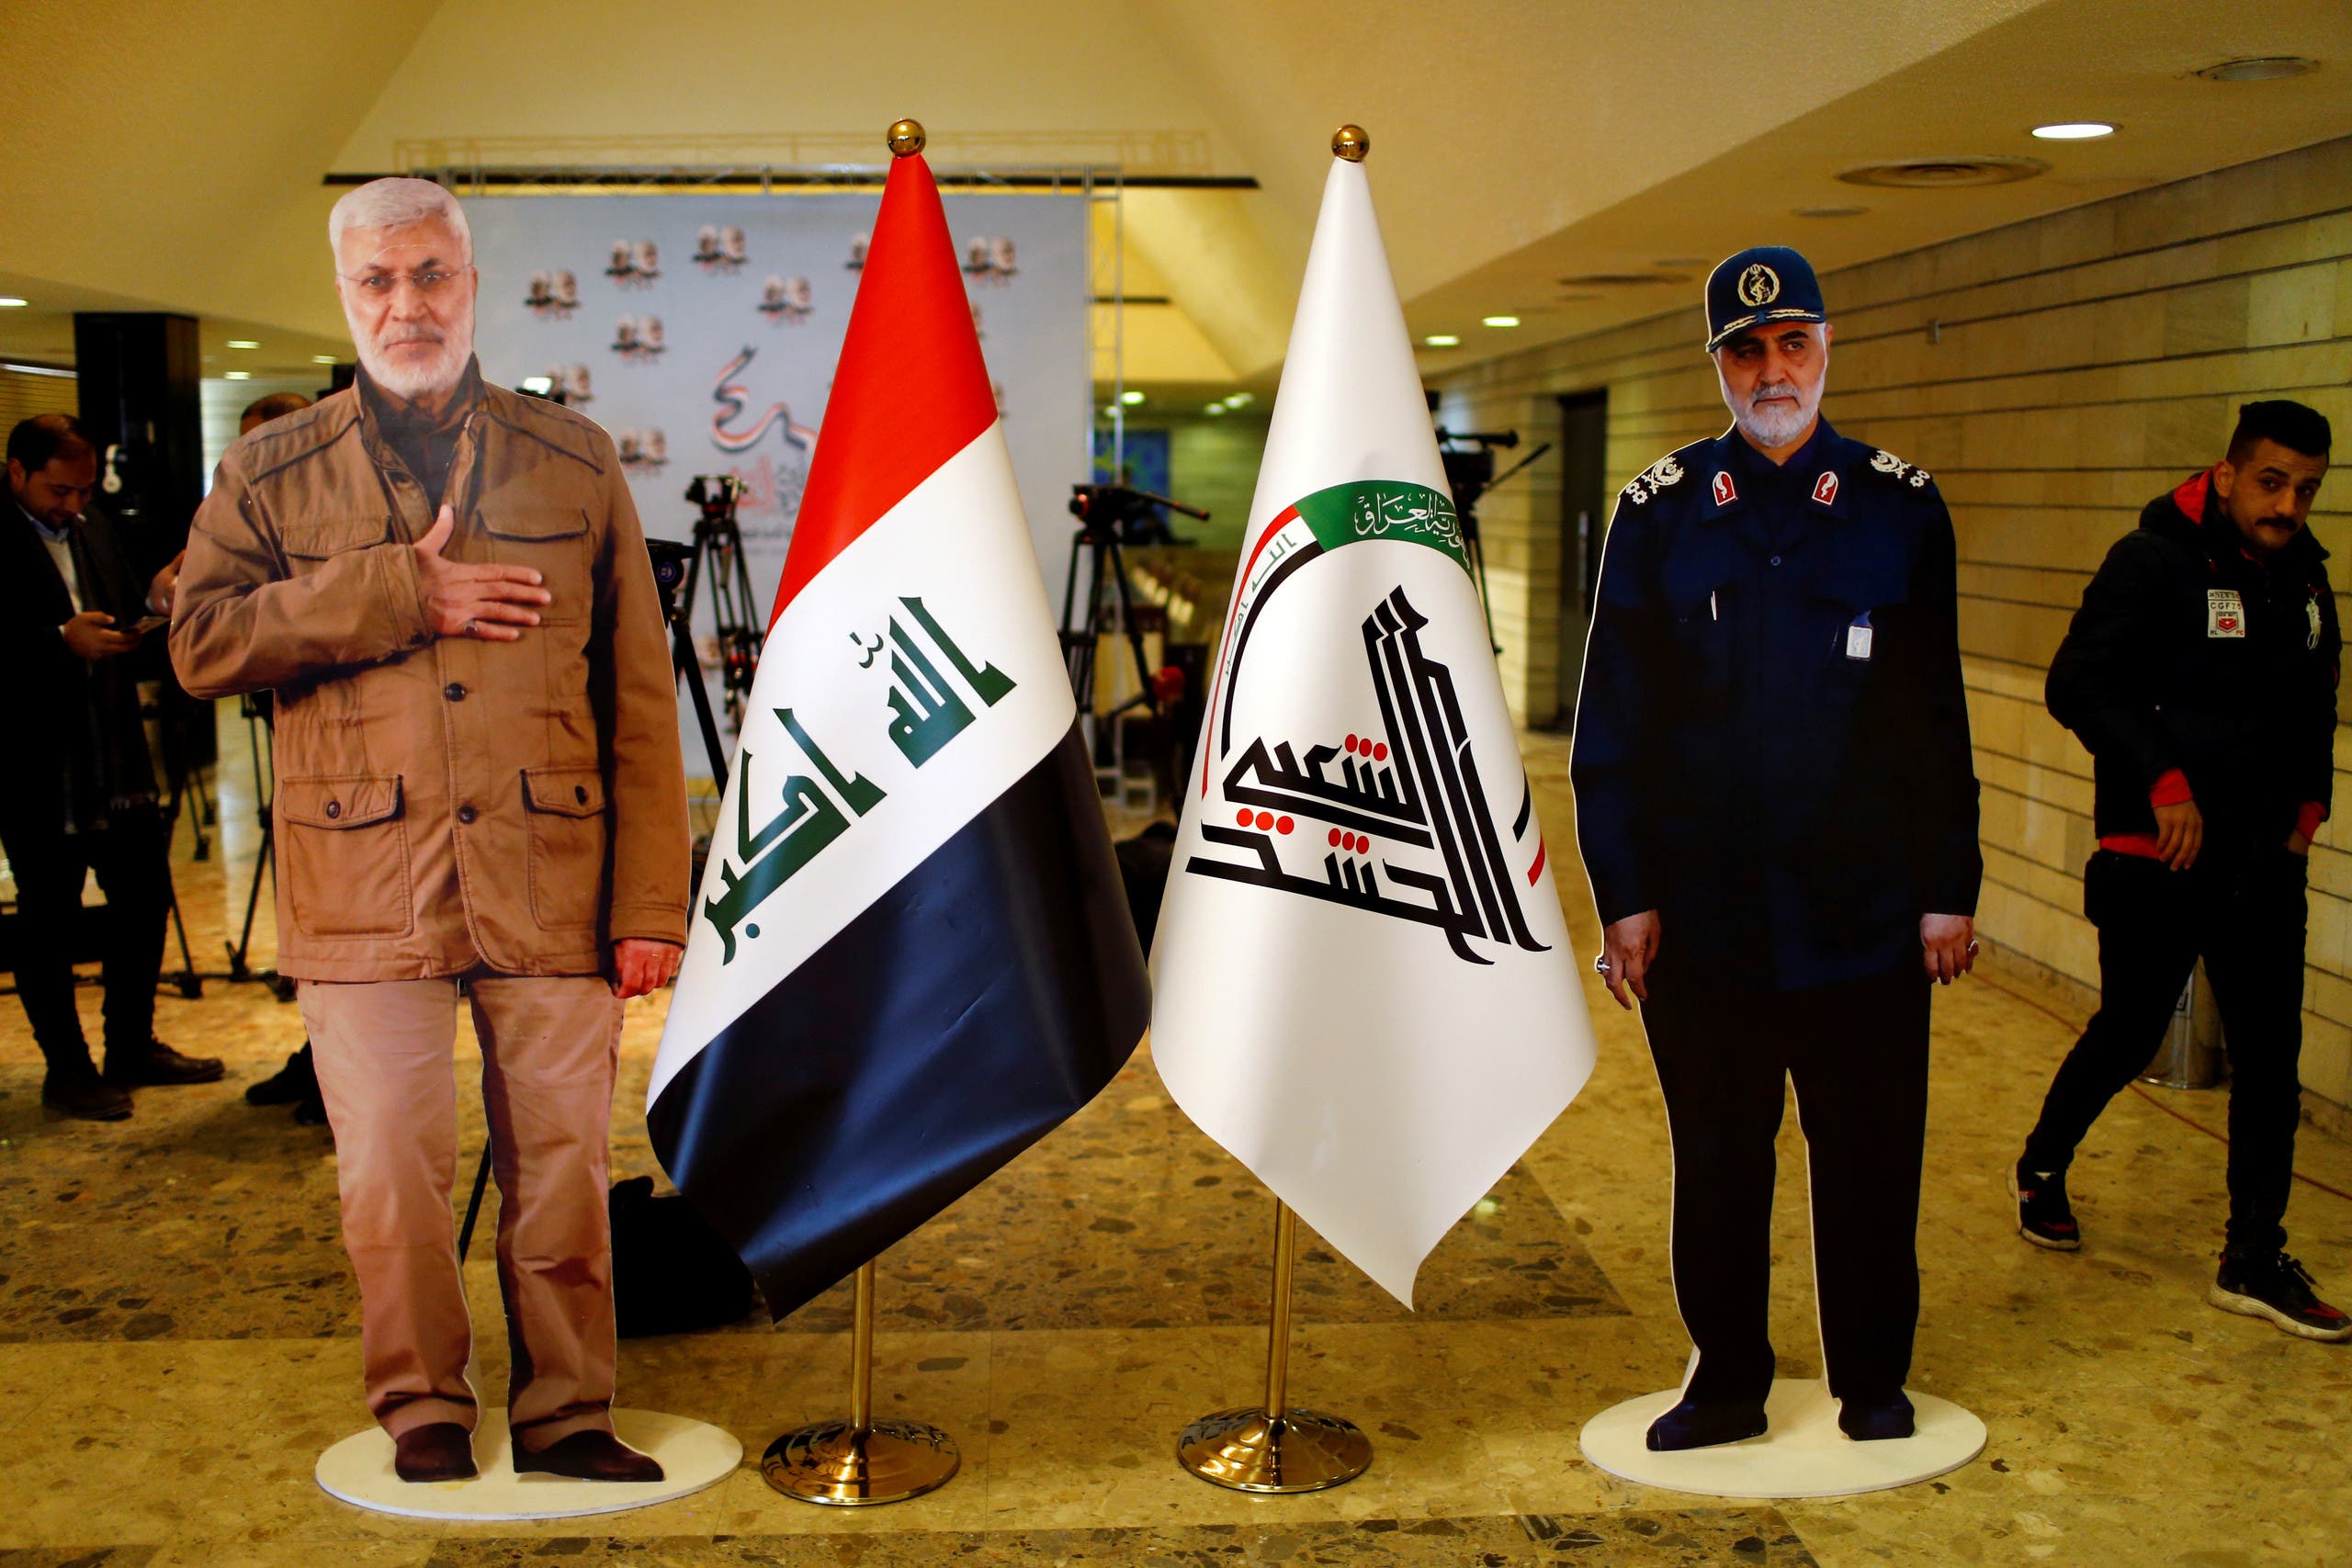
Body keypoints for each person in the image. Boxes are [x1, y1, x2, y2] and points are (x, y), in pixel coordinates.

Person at [170, 177, 690, 1484]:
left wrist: (650, 902)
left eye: (430, 274)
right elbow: (200, 641)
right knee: (389, 1182)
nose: (407, 302)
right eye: (377, 281)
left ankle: (570, 1406)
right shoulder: (268, 470)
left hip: (551, 875)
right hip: (363, 886)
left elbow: (636, 690)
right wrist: (399, 588)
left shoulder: (575, 457)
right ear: (345, 293)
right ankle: (422, 1403)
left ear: (470, 278)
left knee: (565, 1172)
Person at [1571, 246, 1982, 1450]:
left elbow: (1932, 715)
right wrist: (1627, 893)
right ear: (1718, 364)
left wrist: (1945, 888)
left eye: (1791, 341)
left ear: (1827, 345)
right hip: (1710, 919)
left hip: (1863, 910)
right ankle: (1729, 1377)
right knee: (1718, 1159)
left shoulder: (1903, 505)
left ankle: (1871, 1375)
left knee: (1869, 1156)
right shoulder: (1657, 515)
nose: (1771, 368)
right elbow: (1613, 728)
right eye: (1744, 349)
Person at [2014, 400, 2347, 1341]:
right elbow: (2077, 681)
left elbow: (2317, 708)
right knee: (2128, 1032)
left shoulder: (2306, 583)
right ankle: (2042, 1165)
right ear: (2230, 473)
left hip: (2262, 864)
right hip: (2155, 854)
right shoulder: (2151, 562)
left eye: (2307, 489)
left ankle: (2251, 1256)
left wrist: (2307, 817)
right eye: (2274, 482)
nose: (2288, 505)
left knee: (2269, 1063)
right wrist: (2161, 779)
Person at [1, 414, 222, 1121]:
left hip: (115, 752)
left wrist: (153, 600)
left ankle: (130, 1044)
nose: (71, 504)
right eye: (58, 490)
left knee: (144, 900)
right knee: (49, 922)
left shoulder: (92, 526)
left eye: (83, 489)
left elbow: (120, 609)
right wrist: (55, 643)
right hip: (37, 765)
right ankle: (67, 1069)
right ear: (15, 472)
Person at [212, 391, 333, 1127]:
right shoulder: (243, 522)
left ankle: (332, 1070)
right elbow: (180, 597)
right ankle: (312, 1053)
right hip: (290, 742)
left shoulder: (339, 521)